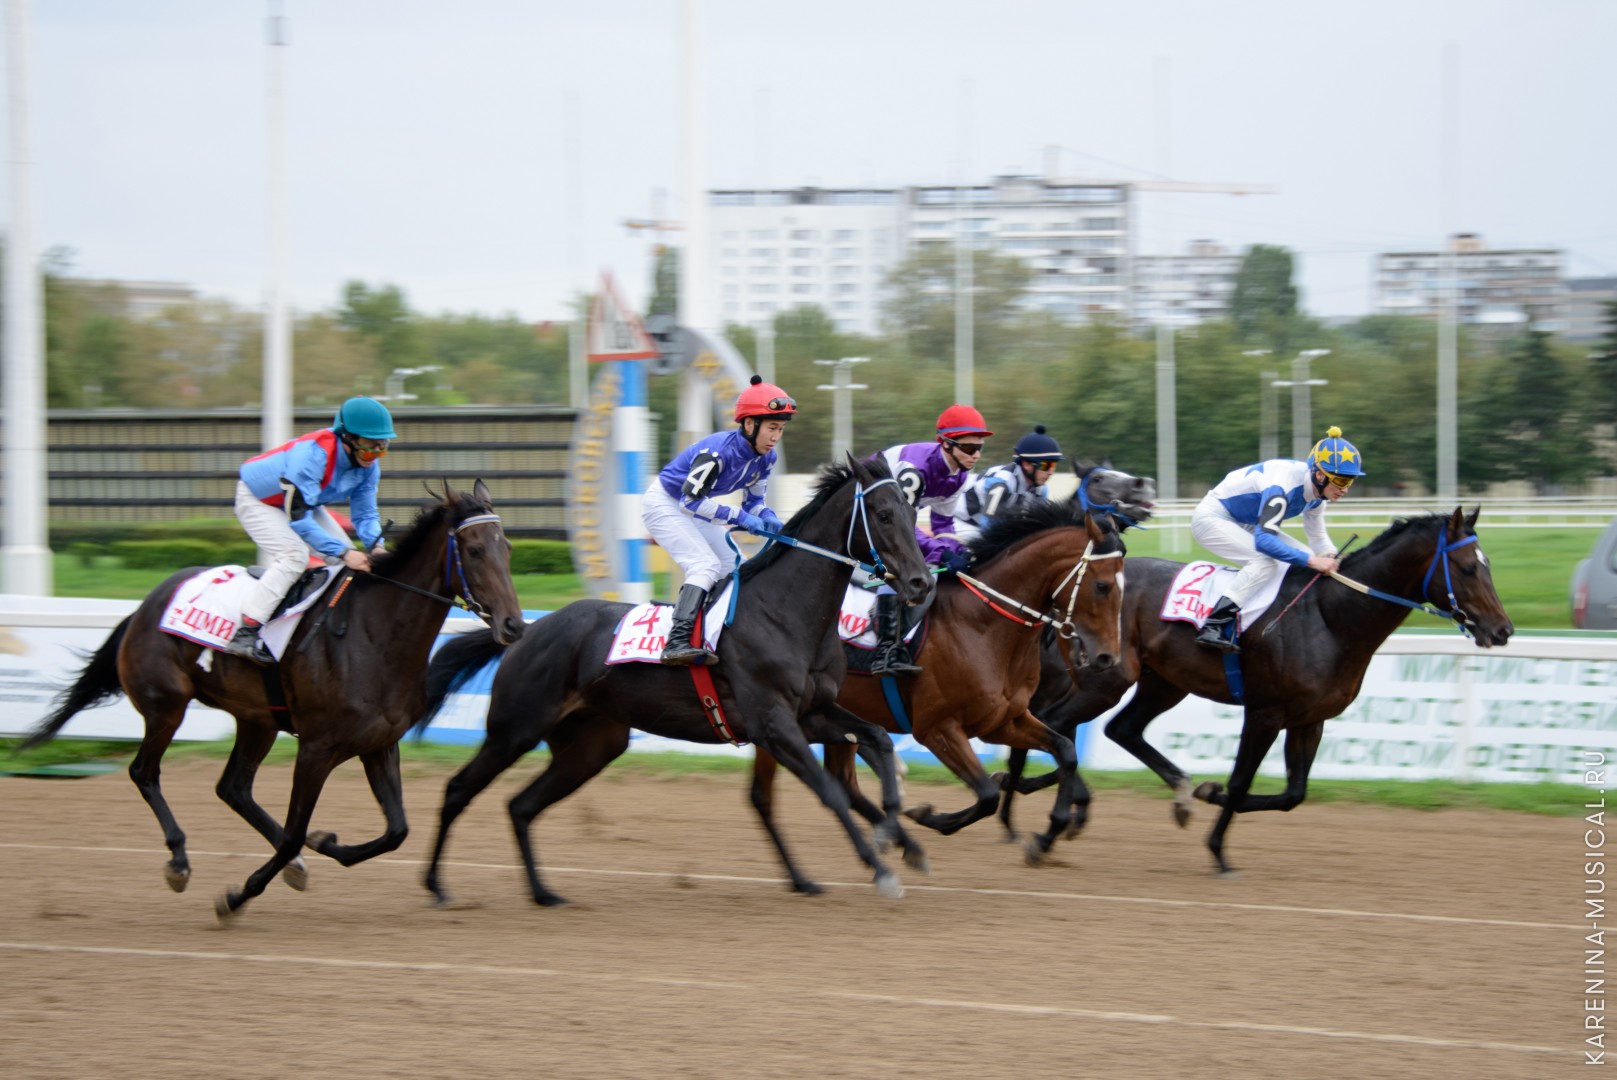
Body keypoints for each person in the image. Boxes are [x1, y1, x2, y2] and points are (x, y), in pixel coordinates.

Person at [222, 396, 395, 664]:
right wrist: (344, 552)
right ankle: (246, 631)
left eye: (382, 447)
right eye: (370, 446)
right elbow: (299, 520)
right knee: (295, 556)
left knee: (347, 566)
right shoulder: (312, 456)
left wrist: (377, 547)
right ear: (347, 437)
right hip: (259, 500)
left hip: (302, 504)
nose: (376, 454)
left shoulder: (368, 467)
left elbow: (366, 514)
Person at [642, 374, 791, 666]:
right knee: (704, 565)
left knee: (735, 565)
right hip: (665, 503)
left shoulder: (767, 459)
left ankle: (716, 632)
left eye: (781, 429)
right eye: (772, 428)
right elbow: (689, 501)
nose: (776, 437)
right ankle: (677, 641)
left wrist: (766, 516)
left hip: (694, 507)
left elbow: (754, 502)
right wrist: (740, 517)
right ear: (750, 425)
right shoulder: (717, 453)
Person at [1189, 425, 1362, 653]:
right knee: (1264, 562)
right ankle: (1214, 625)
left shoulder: (1318, 496)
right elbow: (1264, 542)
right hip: (1213, 518)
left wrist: (1331, 556)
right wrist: (1313, 561)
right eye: (1340, 481)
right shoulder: (1282, 486)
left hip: (1245, 521)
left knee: (1306, 559)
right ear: (1320, 475)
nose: (1345, 489)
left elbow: (1318, 536)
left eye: (1349, 481)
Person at [868, 404, 994, 676]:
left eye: (980, 448)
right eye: (969, 448)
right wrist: (942, 553)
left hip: (891, 518)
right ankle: (886, 649)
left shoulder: (959, 475)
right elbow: (901, 529)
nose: (976, 455)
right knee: (902, 563)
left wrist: (957, 551)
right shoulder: (915, 469)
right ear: (946, 444)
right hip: (866, 510)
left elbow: (942, 524)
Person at [953, 425, 1063, 544]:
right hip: (962, 523)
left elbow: (1038, 526)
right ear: (1026, 464)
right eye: (1046, 465)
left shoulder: (1041, 490)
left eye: (1053, 465)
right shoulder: (1002, 484)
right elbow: (988, 527)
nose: (1051, 472)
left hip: (982, 526)